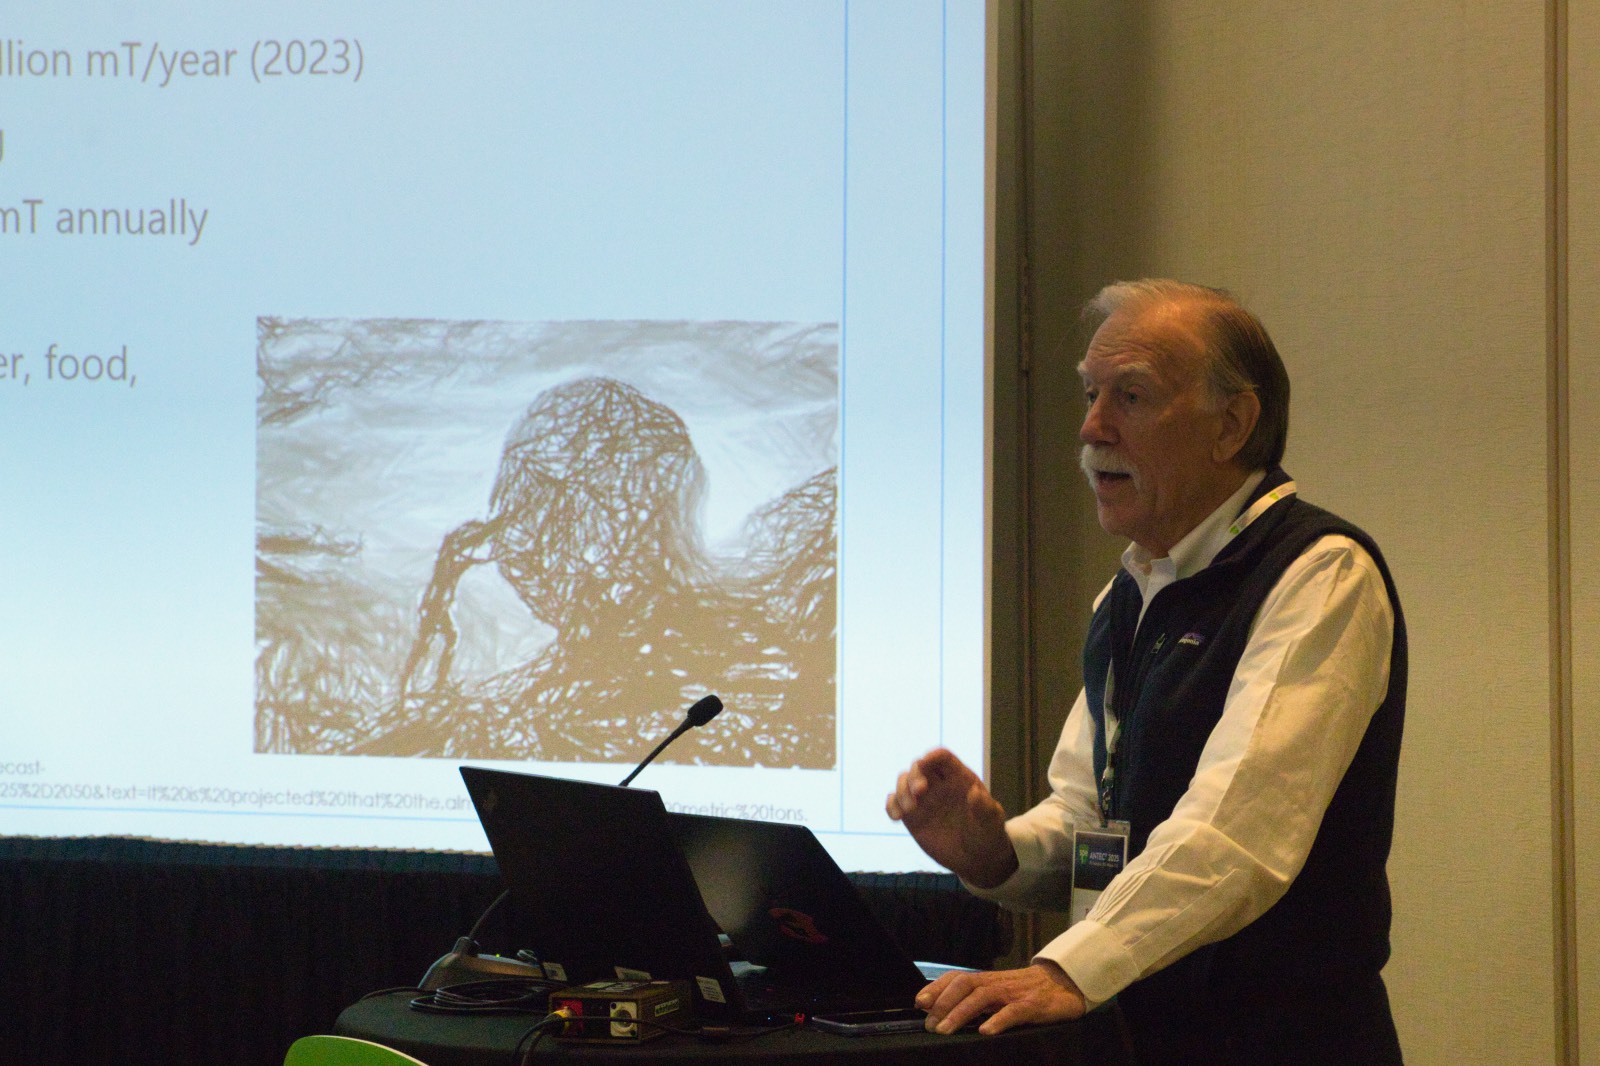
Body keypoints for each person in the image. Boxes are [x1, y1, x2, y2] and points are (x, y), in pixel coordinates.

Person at [887, 279, 1406, 1064]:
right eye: (1090, 394)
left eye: (1130, 397)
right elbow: (1091, 818)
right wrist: (994, 854)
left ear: (1233, 424)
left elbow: (1235, 834)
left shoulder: (1319, 574)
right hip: (1137, 1037)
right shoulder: (1130, 594)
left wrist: (1066, 968)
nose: (1092, 427)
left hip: (1281, 1043)